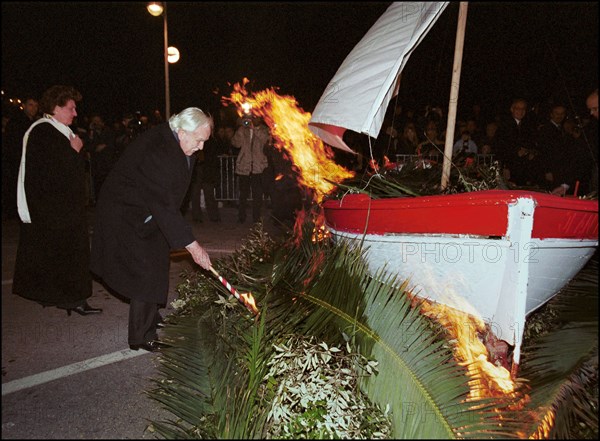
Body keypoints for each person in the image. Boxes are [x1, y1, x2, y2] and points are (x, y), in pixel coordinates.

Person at [90, 107, 213, 352]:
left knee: (157, 261)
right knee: (146, 270)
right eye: (199, 140)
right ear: (182, 131)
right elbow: (164, 204)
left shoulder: (174, 141)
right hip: (126, 214)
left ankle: (151, 315)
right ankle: (141, 335)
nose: (201, 147)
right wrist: (193, 246)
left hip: (148, 212)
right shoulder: (161, 151)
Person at [12, 85, 102, 316]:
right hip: (54, 211)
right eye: (70, 108)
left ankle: (71, 299)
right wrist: (74, 152)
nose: (75, 113)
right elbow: (50, 174)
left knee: (68, 256)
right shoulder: (43, 131)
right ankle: (73, 299)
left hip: (65, 209)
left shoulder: (58, 131)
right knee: (66, 256)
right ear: (55, 108)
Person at [2, 97, 39, 219]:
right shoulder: (16, 122)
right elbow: (13, 144)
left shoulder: (34, 123)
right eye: (30, 105)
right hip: (16, 161)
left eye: (35, 106)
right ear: (24, 105)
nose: (33, 108)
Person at [231, 114, 271, 223]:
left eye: (255, 118)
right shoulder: (243, 130)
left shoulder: (264, 130)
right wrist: (240, 130)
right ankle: (241, 216)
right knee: (243, 194)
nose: (252, 120)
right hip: (245, 167)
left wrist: (255, 129)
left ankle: (256, 217)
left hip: (258, 167)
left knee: (257, 194)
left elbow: (265, 140)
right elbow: (235, 143)